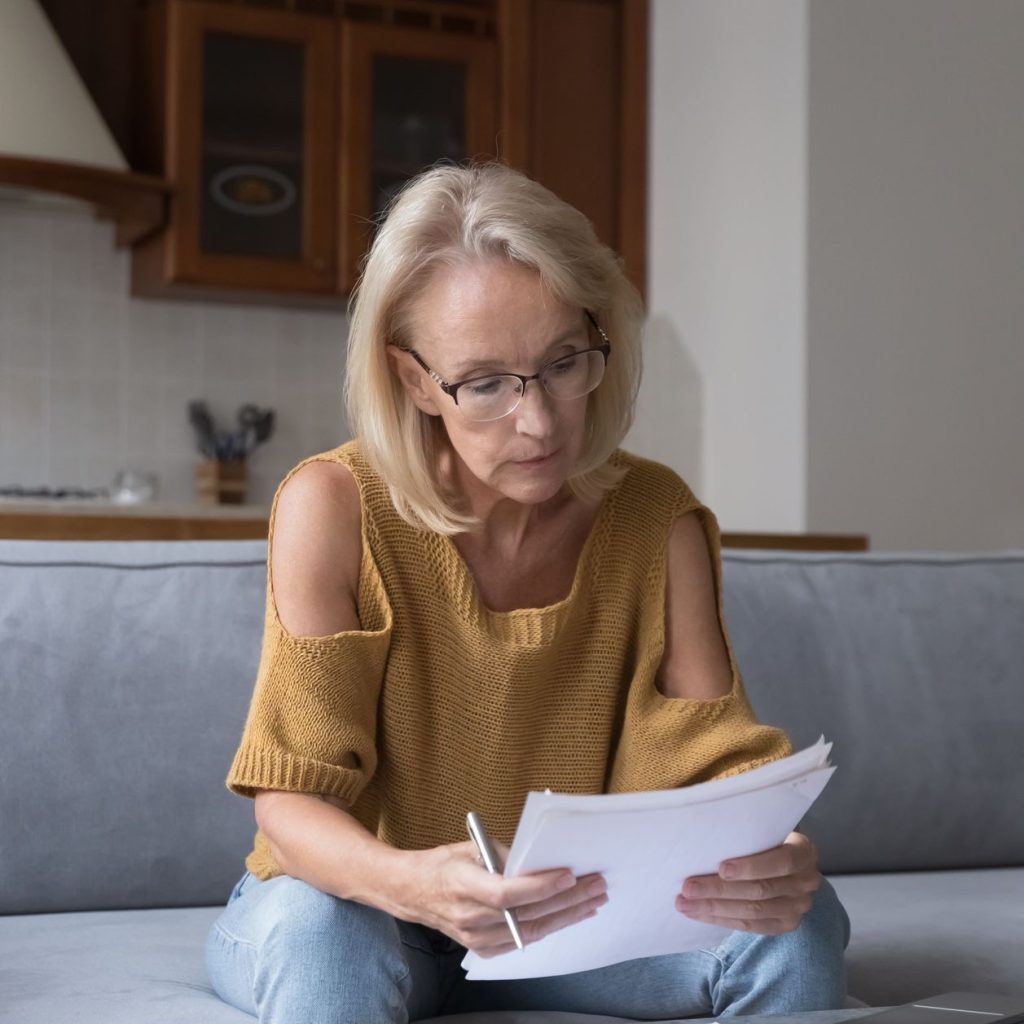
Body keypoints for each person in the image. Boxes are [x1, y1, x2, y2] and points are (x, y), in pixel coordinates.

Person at [205, 162, 850, 1023]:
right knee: (325, 935)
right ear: (414, 381)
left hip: (569, 926)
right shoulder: (333, 506)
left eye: (561, 364)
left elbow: (714, 770)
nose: (540, 423)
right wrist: (412, 884)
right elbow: (292, 801)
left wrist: (776, 858)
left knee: (799, 925)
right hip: (365, 907)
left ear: (598, 335)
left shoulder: (658, 518)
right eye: (485, 385)